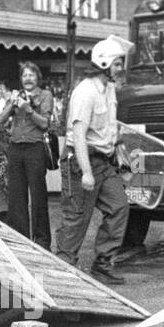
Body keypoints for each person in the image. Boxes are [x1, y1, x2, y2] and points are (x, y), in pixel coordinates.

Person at [55, 35, 134, 284]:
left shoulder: (109, 90)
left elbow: (110, 129)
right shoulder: (85, 92)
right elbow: (78, 135)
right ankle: (63, 271)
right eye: (118, 64)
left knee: (119, 206)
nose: (121, 69)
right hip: (81, 162)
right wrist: (86, 172)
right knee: (76, 218)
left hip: (104, 161)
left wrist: (122, 159)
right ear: (104, 64)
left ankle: (103, 264)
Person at [0, 61, 54, 246]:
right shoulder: (16, 96)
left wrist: (27, 109)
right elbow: (1, 121)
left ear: (37, 77)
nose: (27, 78)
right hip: (16, 148)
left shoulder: (45, 95)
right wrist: (12, 105)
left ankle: (42, 241)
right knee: (16, 197)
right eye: (24, 75)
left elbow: (44, 123)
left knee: (38, 197)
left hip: (34, 148)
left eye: (31, 75)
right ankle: (21, 239)